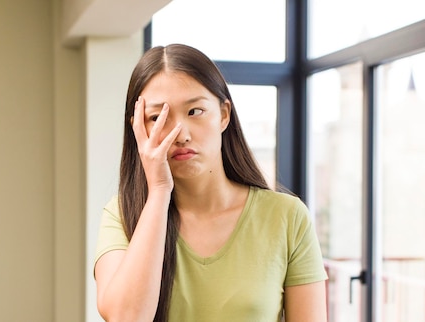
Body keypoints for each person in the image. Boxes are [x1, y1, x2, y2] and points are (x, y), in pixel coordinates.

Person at [94, 43, 328, 322]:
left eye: (194, 111)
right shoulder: (122, 215)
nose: (180, 134)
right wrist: (158, 193)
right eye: (157, 118)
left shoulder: (287, 218)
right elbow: (125, 318)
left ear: (224, 114)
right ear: (138, 129)